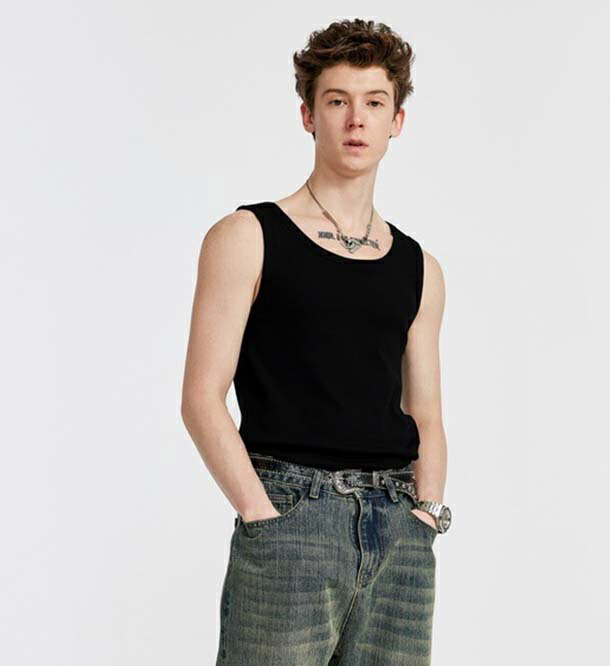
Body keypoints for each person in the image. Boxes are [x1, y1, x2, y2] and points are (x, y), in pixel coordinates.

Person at [181, 18, 452, 665]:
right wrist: (262, 515)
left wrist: (425, 515)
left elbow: (426, 411)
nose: (356, 120)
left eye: (374, 102)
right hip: (291, 517)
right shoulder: (247, 236)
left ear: (397, 121)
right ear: (308, 114)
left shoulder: (419, 267)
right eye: (337, 101)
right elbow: (201, 397)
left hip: (399, 527)